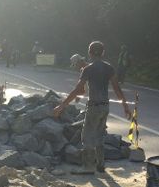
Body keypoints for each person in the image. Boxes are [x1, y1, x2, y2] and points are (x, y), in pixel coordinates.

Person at [54, 41, 131, 174]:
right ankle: (100, 165)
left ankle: (88, 167)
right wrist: (125, 106)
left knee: (87, 137)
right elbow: (117, 88)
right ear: (103, 53)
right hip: (105, 107)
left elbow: (77, 90)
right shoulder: (109, 68)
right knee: (100, 136)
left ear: (89, 53)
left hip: (94, 106)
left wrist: (61, 106)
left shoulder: (88, 69)